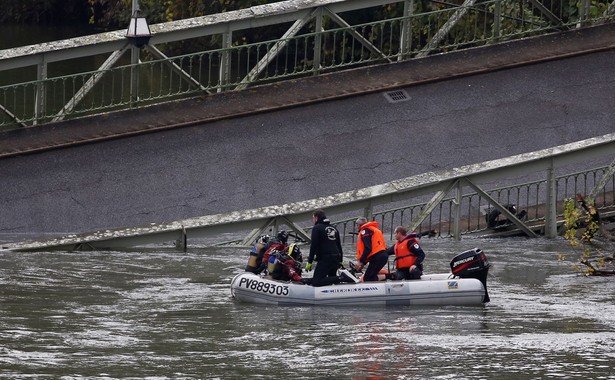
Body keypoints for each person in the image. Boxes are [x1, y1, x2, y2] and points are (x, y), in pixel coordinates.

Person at [306, 209, 354, 286]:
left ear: (316, 218)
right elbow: (339, 245)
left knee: (317, 281)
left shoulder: (317, 228)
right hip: (336, 258)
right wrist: (340, 260)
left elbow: (313, 246)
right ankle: (338, 282)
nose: (313, 220)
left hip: (325, 259)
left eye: (313, 218)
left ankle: (342, 278)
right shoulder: (334, 229)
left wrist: (309, 262)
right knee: (332, 279)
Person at [354, 217, 388, 281]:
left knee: (368, 278)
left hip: (377, 257)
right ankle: (386, 278)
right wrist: (363, 263)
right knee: (370, 276)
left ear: (359, 225)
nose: (357, 226)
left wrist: (361, 261)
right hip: (381, 256)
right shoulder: (373, 229)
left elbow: (368, 248)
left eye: (357, 225)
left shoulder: (365, 231)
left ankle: (389, 277)